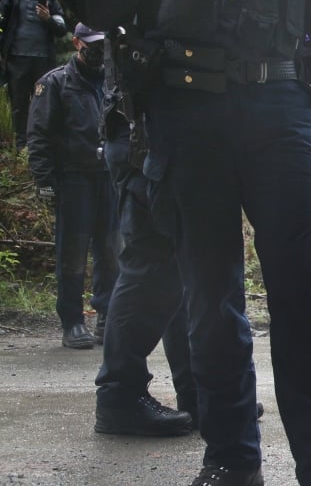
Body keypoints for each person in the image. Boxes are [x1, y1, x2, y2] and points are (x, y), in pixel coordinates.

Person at [59, 0, 311, 484]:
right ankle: (230, 460)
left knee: (305, 296)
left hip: (284, 109)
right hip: (183, 113)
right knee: (209, 298)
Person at [92, 89, 195, 437]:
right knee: (151, 265)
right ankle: (120, 397)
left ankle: (195, 391)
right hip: (145, 133)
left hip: (157, 126)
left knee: (178, 270)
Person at [25, 23, 117, 350]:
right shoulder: (55, 83)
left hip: (109, 175)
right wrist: (44, 181)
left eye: (102, 44)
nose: (97, 50)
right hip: (73, 178)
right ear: (76, 42)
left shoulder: (112, 79)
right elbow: (38, 136)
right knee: (73, 252)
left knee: (110, 249)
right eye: (91, 44)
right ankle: (73, 320)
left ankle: (106, 314)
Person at [0, 0, 68, 149]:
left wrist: (48, 19)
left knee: (43, 103)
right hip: (17, 59)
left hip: (42, 60)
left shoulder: (49, 0)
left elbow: (62, 29)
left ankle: (41, 143)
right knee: (19, 104)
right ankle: (22, 145)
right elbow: (1, 26)